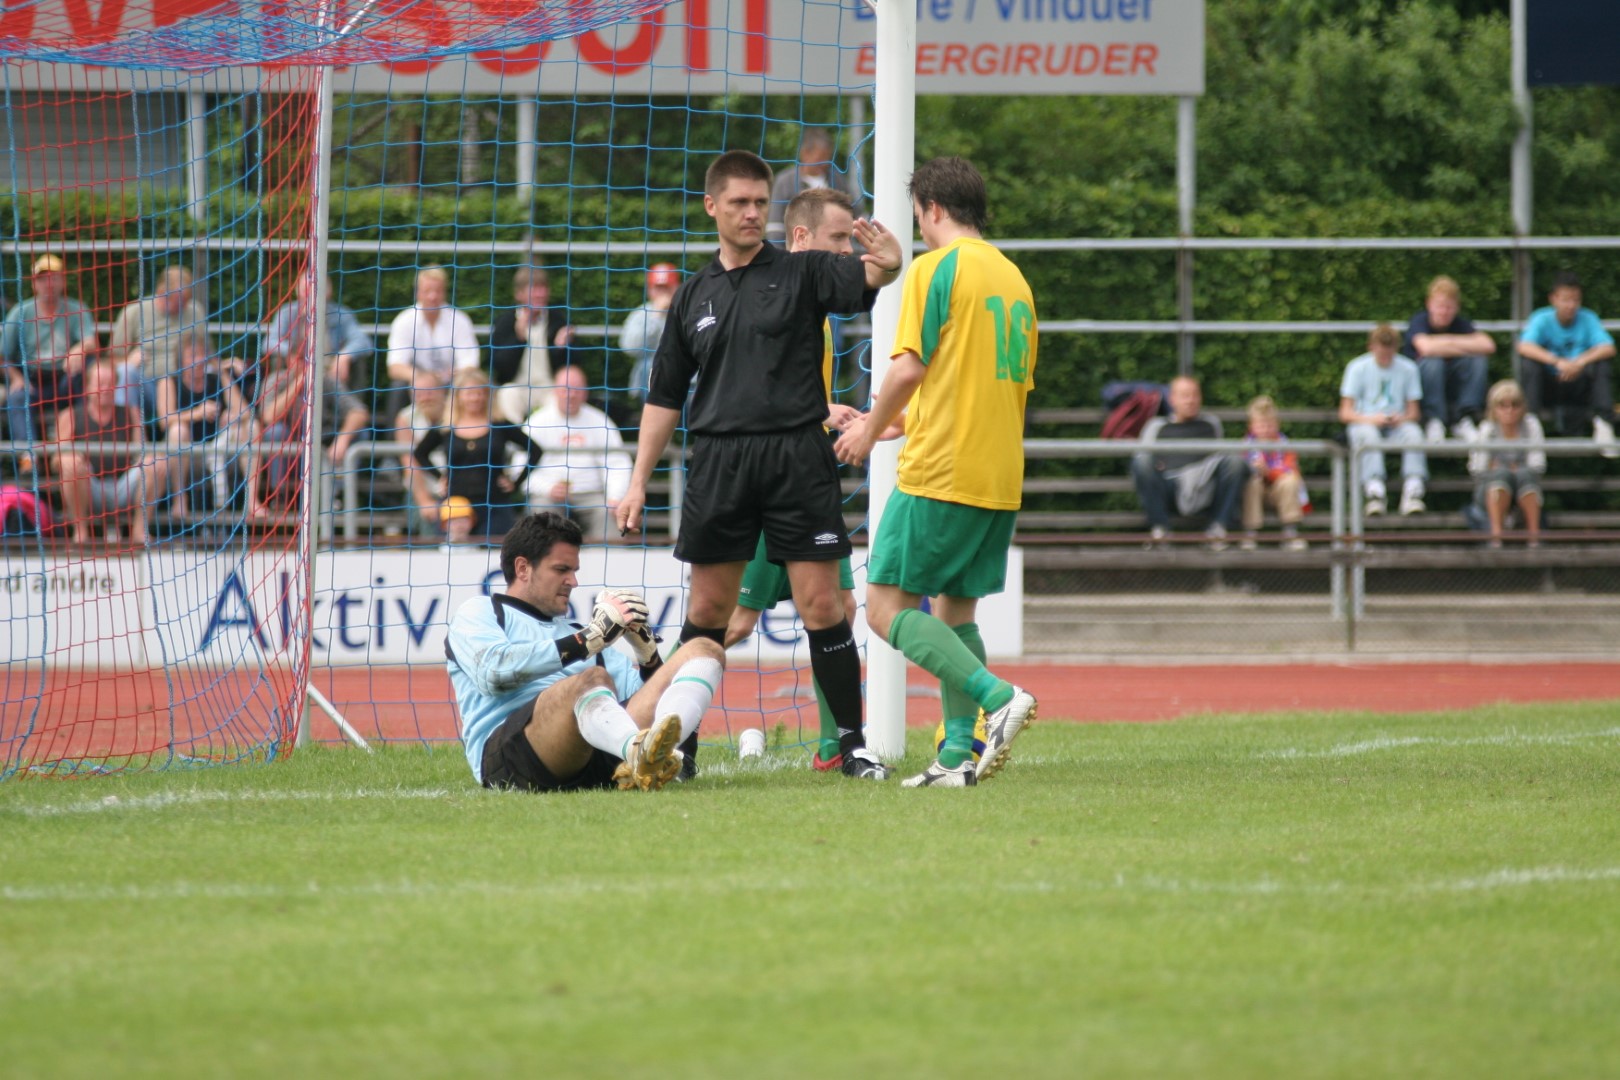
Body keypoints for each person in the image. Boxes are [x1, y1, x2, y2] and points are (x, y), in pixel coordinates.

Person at [614, 148, 904, 782]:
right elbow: (664, 397)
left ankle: (852, 747)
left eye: (759, 202)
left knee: (824, 606)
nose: (751, 213)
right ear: (711, 206)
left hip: (797, 456)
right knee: (708, 614)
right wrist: (637, 482)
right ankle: (680, 748)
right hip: (719, 462)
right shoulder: (692, 295)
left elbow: (869, 276)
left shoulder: (803, 271)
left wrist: (890, 262)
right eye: (739, 202)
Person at [833, 156, 1038, 789]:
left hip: (943, 470)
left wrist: (870, 429)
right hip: (998, 472)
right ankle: (956, 756)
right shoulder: (1014, 278)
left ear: (934, 210)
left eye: (919, 216)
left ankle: (999, 697)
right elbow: (973, 378)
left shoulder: (936, 268)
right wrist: (905, 419)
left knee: (883, 608)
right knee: (954, 614)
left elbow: (910, 366)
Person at [723, 187, 866, 771]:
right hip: (769, 485)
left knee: (841, 607)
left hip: (808, 481)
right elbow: (751, 392)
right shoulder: (767, 295)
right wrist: (820, 412)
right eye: (839, 239)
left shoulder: (817, 305)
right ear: (802, 238)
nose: (848, 251)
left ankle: (837, 747)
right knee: (733, 622)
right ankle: (645, 704)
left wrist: (825, 412)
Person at [446, 511, 727, 793]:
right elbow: (493, 672)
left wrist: (647, 654)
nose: (573, 581)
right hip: (513, 757)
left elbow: (644, 700)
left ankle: (657, 757)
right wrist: (586, 642)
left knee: (704, 649)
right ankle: (637, 751)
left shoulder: (580, 632)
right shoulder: (482, 611)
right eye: (561, 570)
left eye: (574, 571)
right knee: (592, 679)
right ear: (523, 568)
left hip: (594, 754)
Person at [411, 368, 544, 542]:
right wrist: (440, 477)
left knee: (496, 551)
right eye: (469, 393)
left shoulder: (500, 425)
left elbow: (535, 450)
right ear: (458, 396)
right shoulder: (445, 426)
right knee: (451, 553)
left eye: (480, 393)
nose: (475, 398)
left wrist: (515, 482)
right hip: (456, 505)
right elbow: (420, 453)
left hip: (494, 504)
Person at [50, 359, 169, 545]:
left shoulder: (131, 412)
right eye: (100, 383)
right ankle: (80, 531)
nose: (105, 389)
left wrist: (149, 460)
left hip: (123, 486)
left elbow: (142, 451)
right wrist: (66, 458)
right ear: (88, 387)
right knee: (70, 464)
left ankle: (140, 530)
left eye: (109, 383)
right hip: (89, 488)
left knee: (157, 462)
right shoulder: (71, 415)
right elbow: (55, 460)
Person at [251, 341, 372, 517]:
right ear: (289, 359)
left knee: (360, 434)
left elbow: (359, 412)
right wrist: (300, 382)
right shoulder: (276, 380)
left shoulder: (326, 381)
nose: (305, 362)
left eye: (309, 359)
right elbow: (269, 416)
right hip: (292, 445)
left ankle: (334, 498)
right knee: (274, 432)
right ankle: (281, 495)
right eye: (300, 358)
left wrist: (342, 440)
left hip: (324, 442)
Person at [1130, 375, 1248, 549]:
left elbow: (1218, 460)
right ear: (1172, 399)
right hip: (1168, 488)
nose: (1191, 401)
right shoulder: (1156, 426)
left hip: (1204, 488)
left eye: (1195, 395)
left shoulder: (1211, 423)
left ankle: (1217, 530)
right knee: (1142, 462)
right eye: (1185, 395)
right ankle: (1161, 530)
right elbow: (1142, 459)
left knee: (1235, 462)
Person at [522, 364, 633, 541]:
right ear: (555, 391)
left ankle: (611, 557)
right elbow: (519, 466)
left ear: (585, 392)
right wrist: (547, 488)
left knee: (607, 514)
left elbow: (617, 464)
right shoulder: (536, 422)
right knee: (542, 513)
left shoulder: (601, 422)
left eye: (576, 390)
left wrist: (615, 497)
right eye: (565, 390)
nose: (570, 395)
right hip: (547, 495)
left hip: (592, 495)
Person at [2, 254, 98, 450]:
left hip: (65, 378)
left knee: (86, 378)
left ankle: (82, 449)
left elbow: (91, 342)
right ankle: (27, 457)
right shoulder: (20, 312)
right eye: (42, 279)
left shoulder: (76, 308)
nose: (49, 284)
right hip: (32, 379)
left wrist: (78, 349)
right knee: (17, 397)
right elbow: (3, 354)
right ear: (34, 284)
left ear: (63, 281)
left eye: (54, 278)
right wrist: (16, 378)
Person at [1516, 271, 1617, 457]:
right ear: (1553, 299)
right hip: (1550, 386)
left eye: (1575, 300)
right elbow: (1524, 346)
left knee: (1601, 364)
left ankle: (1604, 422)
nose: (1571, 305)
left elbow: (1608, 347)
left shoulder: (1588, 318)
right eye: (1565, 300)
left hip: (1579, 386)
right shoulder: (1541, 318)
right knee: (1530, 364)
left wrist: (1579, 362)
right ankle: (1531, 426)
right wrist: (1557, 362)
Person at [157, 337, 253, 518]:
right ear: (181, 360)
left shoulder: (217, 379)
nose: (198, 360)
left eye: (202, 354)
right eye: (192, 355)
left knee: (249, 427)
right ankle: (180, 500)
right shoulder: (169, 382)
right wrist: (197, 413)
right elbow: (165, 420)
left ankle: (252, 501)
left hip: (219, 451)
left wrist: (231, 413)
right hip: (185, 455)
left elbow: (245, 412)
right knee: (178, 430)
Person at [1340, 323, 1429, 516]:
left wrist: (1400, 418)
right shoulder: (1356, 368)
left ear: (1396, 348)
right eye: (1381, 352)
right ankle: (1375, 492)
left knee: (1413, 433)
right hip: (1365, 422)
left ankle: (1413, 491)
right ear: (1371, 347)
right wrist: (1371, 419)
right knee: (1368, 434)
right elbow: (1345, 413)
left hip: (1397, 424)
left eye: (1389, 352)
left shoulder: (1408, 368)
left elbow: (1414, 413)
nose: (1385, 357)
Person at [106, 265, 209, 420]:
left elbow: (207, 354)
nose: (183, 305)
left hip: (185, 385)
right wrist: (128, 360)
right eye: (178, 300)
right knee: (125, 371)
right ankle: (127, 427)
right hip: (148, 386)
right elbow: (111, 360)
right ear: (162, 292)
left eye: (186, 300)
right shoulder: (134, 312)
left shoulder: (195, 311)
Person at [1402, 275, 1493, 443]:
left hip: (1452, 381)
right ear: (1429, 304)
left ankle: (1465, 417)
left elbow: (1487, 345)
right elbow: (1426, 349)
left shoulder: (1461, 323)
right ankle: (1434, 419)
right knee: (1433, 362)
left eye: (1449, 307)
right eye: (1440, 306)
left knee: (1477, 360)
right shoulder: (1419, 321)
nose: (1444, 312)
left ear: (1457, 307)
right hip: (1422, 384)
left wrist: (1445, 342)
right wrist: (1463, 345)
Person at [487, 265, 574, 425]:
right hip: (518, 387)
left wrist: (560, 348)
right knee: (507, 394)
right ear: (519, 294)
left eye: (543, 289)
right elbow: (499, 367)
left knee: (560, 398)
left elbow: (572, 366)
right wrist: (518, 338)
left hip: (549, 387)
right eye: (534, 289)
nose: (540, 294)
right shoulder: (505, 322)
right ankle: (514, 439)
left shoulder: (558, 320)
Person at [262, 272, 374, 392]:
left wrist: (344, 356)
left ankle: (351, 402)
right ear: (297, 291)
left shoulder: (342, 314)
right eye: (306, 289)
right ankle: (278, 401)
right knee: (277, 360)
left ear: (328, 291)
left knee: (357, 362)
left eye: (316, 290)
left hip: (331, 373)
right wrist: (291, 351)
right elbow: (269, 342)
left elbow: (364, 342)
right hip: (296, 372)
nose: (310, 294)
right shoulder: (286, 312)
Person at [385, 265, 481, 404]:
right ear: (417, 293)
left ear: (445, 292)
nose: (433, 296)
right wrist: (424, 379)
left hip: (451, 382)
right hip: (416, 382)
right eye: (427, 291)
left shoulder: (460, 320)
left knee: (470, 385)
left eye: (438, 291)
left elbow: (470, 364)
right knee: (398, 387)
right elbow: (395, 366)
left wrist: (450, 375)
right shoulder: (404, 320)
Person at [1469, 379, 1545, 549]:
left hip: (1524, 485)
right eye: (1502, 405)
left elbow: (1538, 465)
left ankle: (1534, 537)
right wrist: (1508, 469)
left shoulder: (1531, 425)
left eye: (1515, 405)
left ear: (1522, 407)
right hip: (1489, 490)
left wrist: (1505, 468)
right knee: (1501, 476)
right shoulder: (1487, 428)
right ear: (1493, 408)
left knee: (1525, 475)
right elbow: (1478, 469)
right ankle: (1497, 537)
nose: (1509, 410)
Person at [765, 127, 864, 244]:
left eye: (828, 158)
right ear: (805, 153)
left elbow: (856, 216)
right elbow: (775, 226)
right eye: (821, 158)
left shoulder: (837, 180)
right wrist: (779, 253)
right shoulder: (785, 182)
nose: (825, 163)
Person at [1240, 395, 1309, 551]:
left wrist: (1268, 472)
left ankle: (1290, 532)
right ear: (1251, 426)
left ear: (1277, 424)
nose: (1265, 429)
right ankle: (1250, 533)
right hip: (1256, 494)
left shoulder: (1285, 445)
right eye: (1261, 425)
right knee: (1251, 482)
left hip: (1279, 493)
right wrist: (1255, 470)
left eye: (1269, 425)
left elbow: (1291, 471)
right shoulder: (1245, 446)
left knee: (1290, 481)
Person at [620, 263, 680, 411]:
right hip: (650, 380)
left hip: (686, 377)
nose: (663, 294)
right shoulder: (641, 313)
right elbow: (630, 348)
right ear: (649, 290)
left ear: (677, 287)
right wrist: (656, 317)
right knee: (648, 367)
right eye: (658, 288)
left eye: (667, 288)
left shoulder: (687, 309)